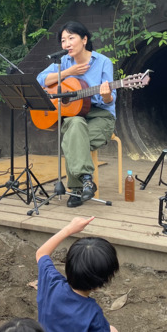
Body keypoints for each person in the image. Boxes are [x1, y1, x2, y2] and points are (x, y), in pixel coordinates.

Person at [36, 22, 116, 207]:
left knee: (73, 139)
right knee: (75, 125)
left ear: (84, 39)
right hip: (74, 117)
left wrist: (106, 95)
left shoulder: (103, 62)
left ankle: (77, 188)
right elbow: (40, 80)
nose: (67, 44)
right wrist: (68, 72)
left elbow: (110, 100)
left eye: (71, 38)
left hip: (100, 116)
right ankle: (86, 180)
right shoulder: (64, 62)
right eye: (63, 40)